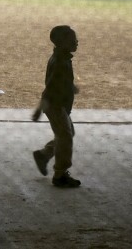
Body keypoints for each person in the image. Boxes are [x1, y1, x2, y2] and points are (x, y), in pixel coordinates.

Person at [32, 25, 81, 188]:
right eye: (73, 40)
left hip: (60, 106)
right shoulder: (60, 62)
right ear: (61, 42)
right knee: (65, 137)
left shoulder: (63, 58)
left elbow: (60, 82)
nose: (77, 42)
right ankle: (60, 174)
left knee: (66, 134)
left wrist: (70, 86)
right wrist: (40, 108)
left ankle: (43, 155)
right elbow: (50, 88)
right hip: (55, 106)